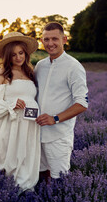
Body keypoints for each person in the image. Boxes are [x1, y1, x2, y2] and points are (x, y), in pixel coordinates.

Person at [0, 32, 40, 192]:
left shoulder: (29, 72)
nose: (18, 57)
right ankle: (4, 190)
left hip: (29, 124)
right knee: (8, 154)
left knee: (26, 155)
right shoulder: (1, 73)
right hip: (10, 123)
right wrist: (11, 104)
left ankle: (25, 189)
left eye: (21, 53)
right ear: (7, 56)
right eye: (13, 54)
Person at [35, 22, 88, 181]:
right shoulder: (40, 65)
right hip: (37, 134)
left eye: (54, 39)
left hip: (59, 136)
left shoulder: (74, 66)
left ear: (64, 39)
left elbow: (82, 104)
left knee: (59, 180)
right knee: (40, 175)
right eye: (46, 39)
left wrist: (55, 118)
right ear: (41, 41)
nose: (50, 43)